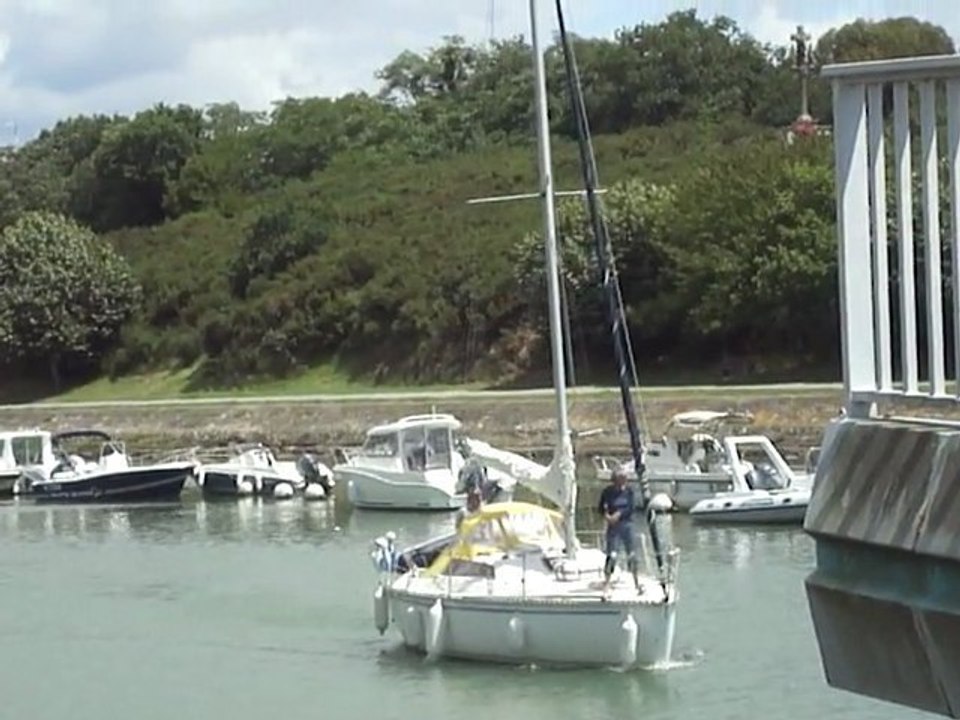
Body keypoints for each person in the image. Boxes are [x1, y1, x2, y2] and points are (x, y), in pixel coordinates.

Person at [598, 466, 640, 591]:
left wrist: (619, 514)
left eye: (625, 479)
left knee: (632, 554)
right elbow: (602, 507)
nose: (623, 481)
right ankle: (607, 581)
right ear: (615, 479)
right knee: (612, 555)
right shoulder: (607, 492)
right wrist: (607, 516)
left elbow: (631, 508)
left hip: (627, 525)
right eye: (621, 478)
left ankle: (636, 581)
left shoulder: (629, 492)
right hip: (613, 527)